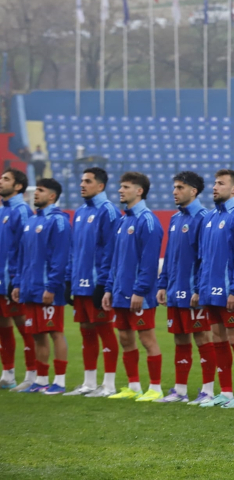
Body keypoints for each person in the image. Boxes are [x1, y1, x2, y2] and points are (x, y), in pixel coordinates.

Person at [155, 171, 217, 404]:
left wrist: (200, 289)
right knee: (180, 339)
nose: (174, 192)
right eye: (174, 187)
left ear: (193, 191)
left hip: (193, 291)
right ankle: (179, 391)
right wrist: (162, 284)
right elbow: (170, 255)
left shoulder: (204, 218)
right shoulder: (174, 219)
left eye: (180, 187)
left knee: (202, 337)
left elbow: (205, 258)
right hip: (174, 290)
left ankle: (208, 390)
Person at [102, 172, 165, 402]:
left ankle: (155, 389)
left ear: (139, 191)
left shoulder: (147, 220)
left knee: (147, 339)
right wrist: (109, 288)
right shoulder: (122, 220)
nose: (120, 190)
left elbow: (149, 262)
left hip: (140, 295)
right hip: (119, 293)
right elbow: (115, 260)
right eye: (120, 186)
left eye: (126, 187)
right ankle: (134, 386)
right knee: (125, 339)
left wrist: (139, 291)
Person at [196, 169, 234, 409]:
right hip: (210, 290)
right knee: (217, 338)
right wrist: (200, 288)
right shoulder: (208, 217)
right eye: (214, 183)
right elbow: (203, 258)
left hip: (230, 291)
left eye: (220, 183)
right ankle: (226, 392)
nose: (214, 187)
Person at [64, 167, 121, 398]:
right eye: (81, 181)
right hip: (80, 283)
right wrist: (69, 280)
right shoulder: (78, 213)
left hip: (97, 283)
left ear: (100, 186)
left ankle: (109, 384)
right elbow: (73, 250)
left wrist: (104, 284)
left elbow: (110, 251)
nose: (82, 185)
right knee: (86, 331)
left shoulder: (108, 211)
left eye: (87, 181)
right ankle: (89, 383)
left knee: (105, 330)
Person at [11, 179, 71, 394]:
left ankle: (61, 381)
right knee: (37, 334)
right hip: (29, 288)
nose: (35, 194)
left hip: (48, 288)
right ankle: (41, 380)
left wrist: (52, 286)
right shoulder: (30, 221)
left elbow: (60, 257)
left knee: (55, 332)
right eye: (36, 190)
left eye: (41, 191)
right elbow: (22, 257)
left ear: (52, 196)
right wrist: (17, 283)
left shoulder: (59, 221)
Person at [0, 168, 36, 391]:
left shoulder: (22, 210)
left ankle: (32, 375)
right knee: (3, 327)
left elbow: (26, 247)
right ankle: (8, 374)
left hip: (14, 280)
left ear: (18, 186)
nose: (0, 182)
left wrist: (18, 278)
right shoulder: (2, 210)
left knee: (25, 326)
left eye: (5, 179)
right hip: (1, 280)